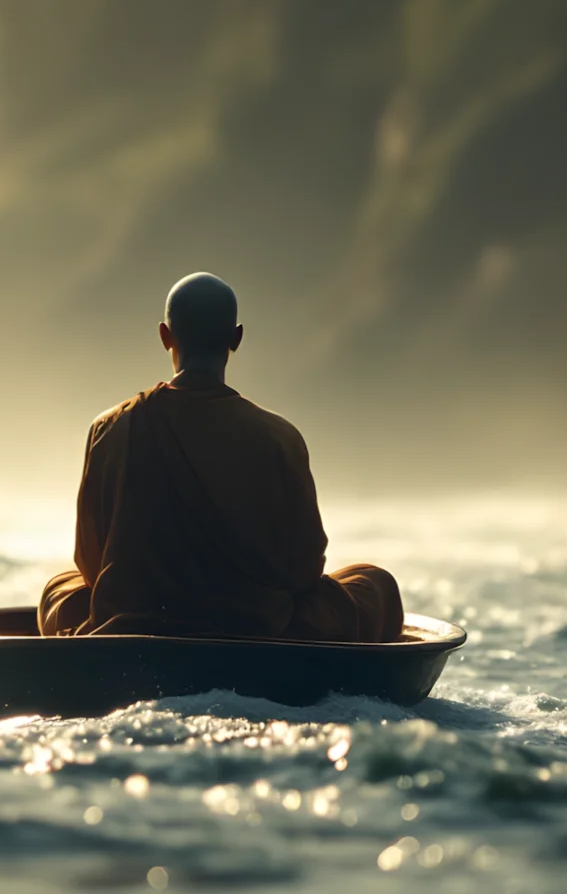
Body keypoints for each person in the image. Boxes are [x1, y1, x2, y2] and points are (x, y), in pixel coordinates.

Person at [37, 272, 403, 642]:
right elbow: (304, 570)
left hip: (134, 624)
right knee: (375, 584)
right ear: (236, 338)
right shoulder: (278, 436)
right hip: (254, 631)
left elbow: (89, 560)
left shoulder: (112, 426)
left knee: (59, 590)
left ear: (165, 336)